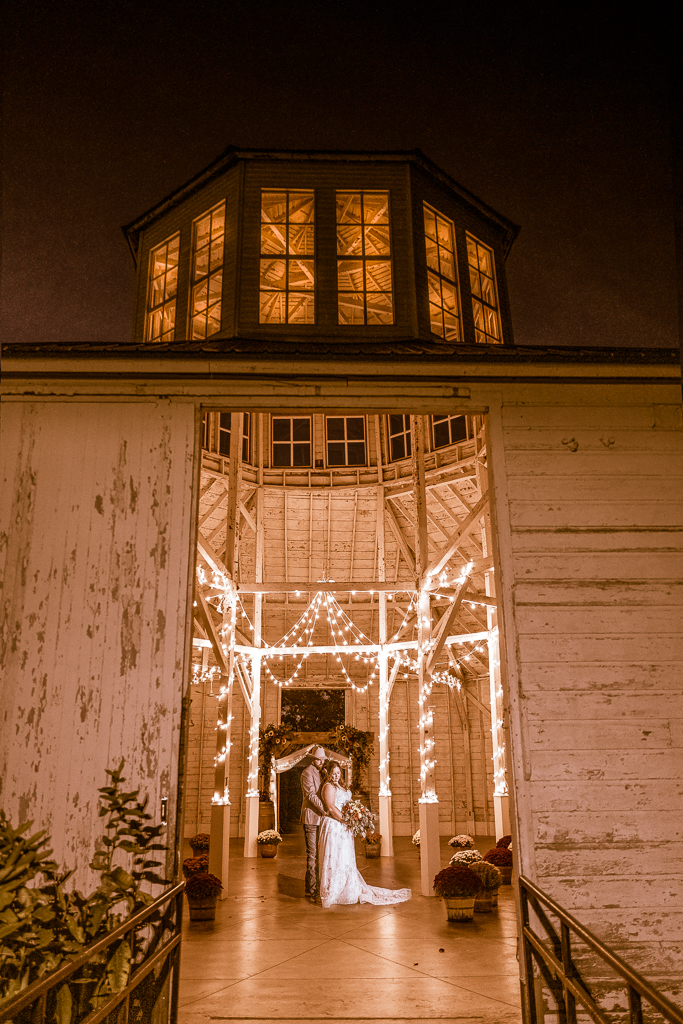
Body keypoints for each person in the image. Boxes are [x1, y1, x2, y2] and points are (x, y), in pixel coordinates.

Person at [317, 760, 411, 908]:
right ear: (327, 774)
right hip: (335, 826)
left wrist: (356, 814)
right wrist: (346, 820)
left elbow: (347, 803)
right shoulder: (328, 786)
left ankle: (349, 887)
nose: (335, 776)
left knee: (345, 858)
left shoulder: (341, 785)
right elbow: (331, 807)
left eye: (337, 773)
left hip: (344, 827)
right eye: (332, 773)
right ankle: (335, 890)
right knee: (335, 857)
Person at [299, 745, 326, 900]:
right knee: (313, 855)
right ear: (314, 760)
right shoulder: (307, 773)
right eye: (320, 760)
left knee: (319, 854)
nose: (322, 762)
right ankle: (313, 889)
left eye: (323, 760)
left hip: (321, 818)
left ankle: (310, 887)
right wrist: (325, 809)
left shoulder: (322, 772)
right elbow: (310, 795)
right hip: (311, 818)